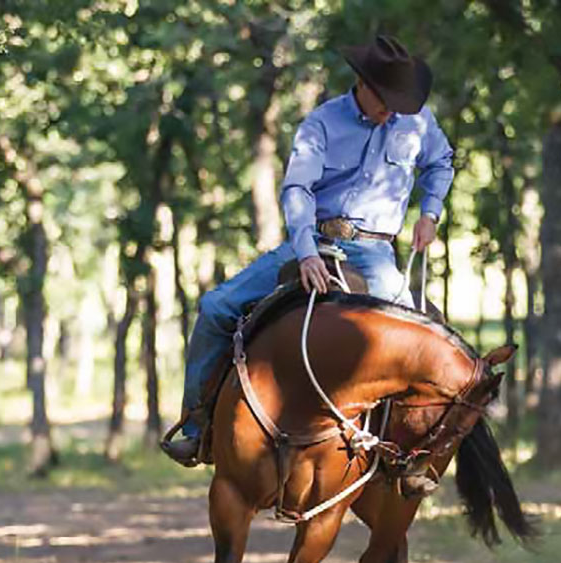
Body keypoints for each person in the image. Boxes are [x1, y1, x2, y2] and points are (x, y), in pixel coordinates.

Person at [162, 34, 454, 466]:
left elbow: (441, 161)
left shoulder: (417, 122)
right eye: (387, 99)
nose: (392, 109)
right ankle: (198, 426)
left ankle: (404, 452)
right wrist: (307, 252)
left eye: (400, 101)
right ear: (364, 84)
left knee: (415, 345)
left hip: (376, 254)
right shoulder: (321, 124)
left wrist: (430, 212)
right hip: (315, 240)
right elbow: (297, 187)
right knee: (215, 307)